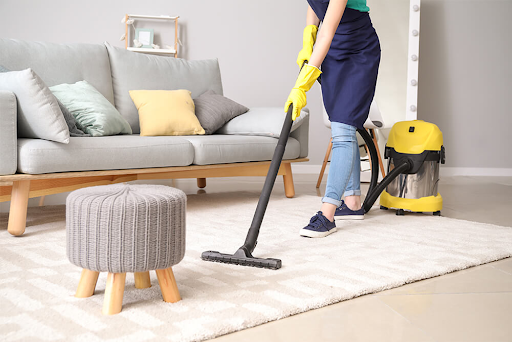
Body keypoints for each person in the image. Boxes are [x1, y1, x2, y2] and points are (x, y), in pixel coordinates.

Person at [284, 0, 381, 238]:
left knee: (343, 128)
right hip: (332, 51)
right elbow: (314, 6)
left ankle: (327, 215)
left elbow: (327, 32)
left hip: (358, 50)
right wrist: (308, 36)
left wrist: (302, 84)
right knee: (342, 125)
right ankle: (353, 203)